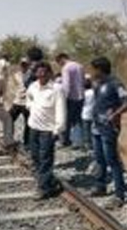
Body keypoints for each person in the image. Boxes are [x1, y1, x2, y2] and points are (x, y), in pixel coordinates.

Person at [88, 57, 127, 209]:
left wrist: (116, 114)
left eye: (93, 69)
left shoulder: (115, 83)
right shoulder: (98, 84)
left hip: (109, 128)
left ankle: (119, 195)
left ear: (99, 69)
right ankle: (100, 186)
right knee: (99, 158)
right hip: (96, 126)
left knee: (112, 160)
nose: (91, 72)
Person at [26, 62, 66, 200]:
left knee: (45, 159)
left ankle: (43, 188)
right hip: (33, 127)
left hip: (48, 130)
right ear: (36, 73)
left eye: (44, 72)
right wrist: (30, 106)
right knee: (35, 157)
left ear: (49, 73)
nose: (41, 75)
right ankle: (48, 182)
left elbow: (61, 110)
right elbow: (28, 98)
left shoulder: (57, 89)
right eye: (39, 72)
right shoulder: (33, 86)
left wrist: (58, 129)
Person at [55, 53, 85, 148]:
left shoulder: (66, 68)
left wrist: (63, 98)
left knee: (66, 120)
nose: (60, 65)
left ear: (61, 59)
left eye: (59, 63)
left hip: (71, 97)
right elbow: (83, 81)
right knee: (77, 120)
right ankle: (78, 141)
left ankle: (65, 140)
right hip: (81, 96)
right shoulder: (80, 66)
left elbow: (66, 85)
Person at [8, 58, 31, 147]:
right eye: (22, 65)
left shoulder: (32, 75)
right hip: (17, 101)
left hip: (27, 102)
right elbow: (11, 88)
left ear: (28, 65)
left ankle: (27, 142)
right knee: (9, 119)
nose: (23, 66)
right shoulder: (16, 75)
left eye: (25, 64)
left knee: (28, 123)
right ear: (20, 65)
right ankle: (9, 138)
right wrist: (16, 94)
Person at [80, 76, 94, 150]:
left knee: (86, 131)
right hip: (93, 114)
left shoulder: (83, 93)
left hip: (85, 114)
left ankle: (88, 146)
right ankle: (92, 145)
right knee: (92, 131)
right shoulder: (94, 92)